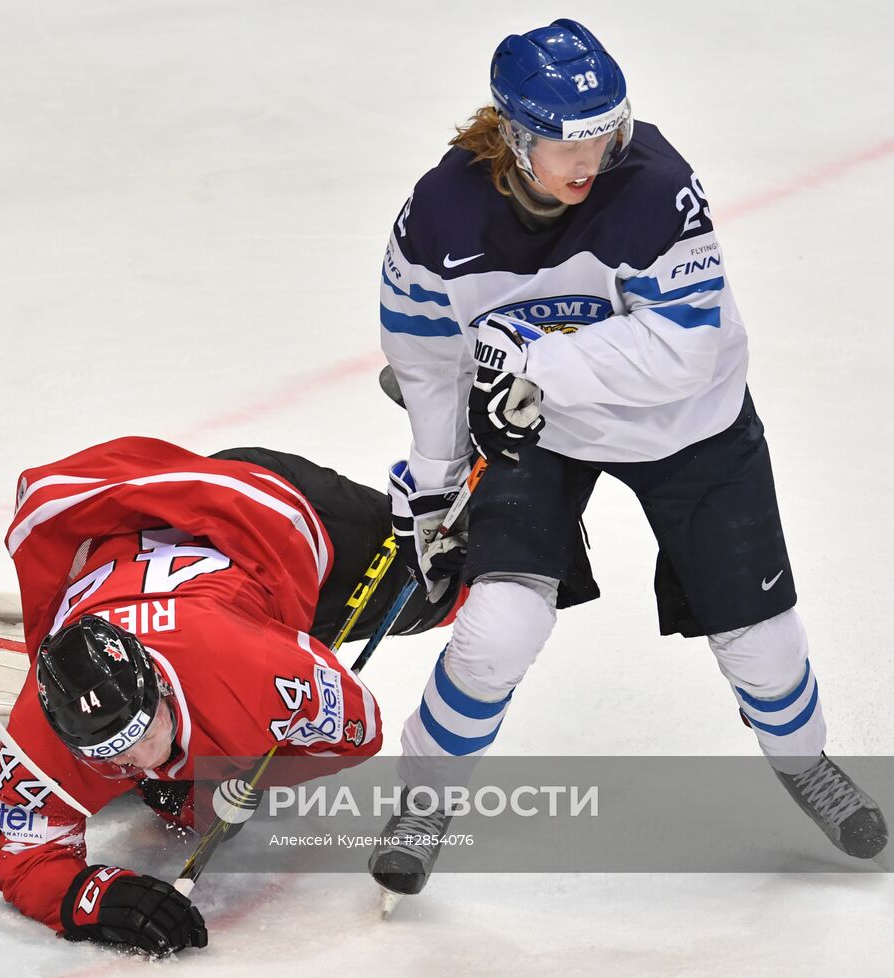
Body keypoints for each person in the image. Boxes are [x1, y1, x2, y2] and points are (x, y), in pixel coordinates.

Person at [371, 19, 887, 900]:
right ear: (513, 134)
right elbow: (422, 350)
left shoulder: (655, 188)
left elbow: (681, 351)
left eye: (605, 132)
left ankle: (804, 763)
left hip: (688, 424)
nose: (592, 157)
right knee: (501, 625)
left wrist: (528, 362)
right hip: (545, 429)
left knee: (761, 647)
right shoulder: (439, 214)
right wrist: (434, 475)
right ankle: (424, 795)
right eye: (570, 141)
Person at [0, 437, 431, 956]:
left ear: (166, 693)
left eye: (139, 737)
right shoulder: (40, 733)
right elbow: (24, 859)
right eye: (106, 755)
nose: (129, 764)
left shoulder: (258, 673)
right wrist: (99, 899)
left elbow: (360, 733)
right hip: (141, 526)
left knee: (459, 579)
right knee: (191, 804)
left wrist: (244, 769)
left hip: (278, 509)